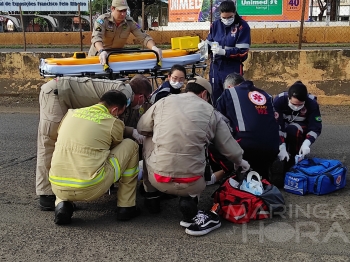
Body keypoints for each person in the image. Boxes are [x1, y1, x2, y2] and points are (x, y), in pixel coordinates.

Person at [137, 76, 250, 236]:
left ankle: (151, 194)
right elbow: (230, 148)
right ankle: (190, 199)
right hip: (193, 182)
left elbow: (142, 128)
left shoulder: (163, 102)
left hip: (158, 178)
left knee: (149, 136)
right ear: (204, 94)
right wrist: (240, 162)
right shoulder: (211, 112)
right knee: (200, 145)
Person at [36, 76, 152, 211]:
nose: (144, 103)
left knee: (68, 143)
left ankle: (62, 196)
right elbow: (114, 128)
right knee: (50, 142)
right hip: (56, 95)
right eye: (146, 99)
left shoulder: (122, 90)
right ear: (140, 96)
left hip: (61, 91)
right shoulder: (124, 95)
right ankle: (46, 194)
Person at [49, 90, 140, 224]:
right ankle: (126, 206)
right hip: (91, 187)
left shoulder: (71, 114)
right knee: (130, 145)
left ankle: (62, 204)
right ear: (115, 110)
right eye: (121, 113)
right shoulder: (113, 122)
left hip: (57, 185)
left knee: (67, 154)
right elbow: (115, 145)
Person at [213, 73, 280, 181]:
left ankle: (229, 172)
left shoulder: (229, 93)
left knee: (213, 136)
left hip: (245, 148)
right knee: (261, 179)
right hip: (272, 148)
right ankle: (263, 177)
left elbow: (217, 120)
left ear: (229, 87)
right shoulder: (266, 95)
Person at [198, 0, 251, 105]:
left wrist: (224, 52)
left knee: (234, 97)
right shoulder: (216, 25)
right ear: (220, 15)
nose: (226, 20)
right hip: (216, 67)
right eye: (224, 18)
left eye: (229, 17)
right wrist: (204, 47)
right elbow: (210, 41)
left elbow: (243, 52)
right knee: (216, 97)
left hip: (232, 67)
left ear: (234, 13)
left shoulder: (242, 26)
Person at [88, 0, 162, 65]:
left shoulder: (130, 22)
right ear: (112, 8)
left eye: (125, 11)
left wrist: (154, 47)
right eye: (120, 11)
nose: (123, 14)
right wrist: (101, 51)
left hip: (116, 59)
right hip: (97, 57)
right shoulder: (102, 20)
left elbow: (144, 37)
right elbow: (96, 37)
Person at [273, 81, 322, 167]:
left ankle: (294, 158)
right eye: (294, 104)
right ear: (288, 98)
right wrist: (281, 145)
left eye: (300, 105)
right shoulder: (279, 100)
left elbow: (315, 127)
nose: (296, 107)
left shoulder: (311, 103)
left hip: (299, 129)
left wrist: (307, 142)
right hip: (283, 126)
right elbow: (276, 125)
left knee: (292, 129)